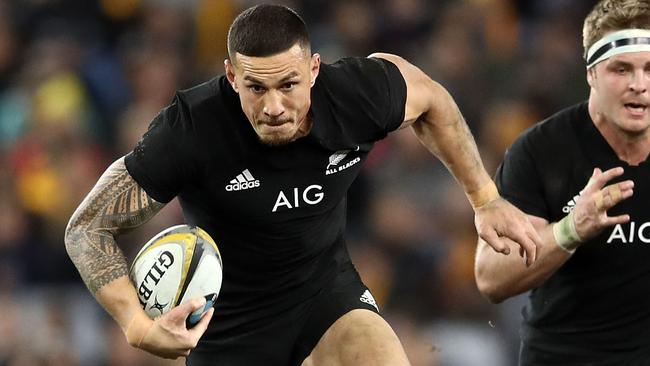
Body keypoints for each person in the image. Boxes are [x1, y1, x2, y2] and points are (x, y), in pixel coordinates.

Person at [64, 4, 541, 365]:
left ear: (314, 69)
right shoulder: (190, 130)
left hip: (324, 292)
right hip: (226, 324)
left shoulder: (358, 94)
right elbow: (86, 228)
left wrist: (486, 198)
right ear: (231, 76)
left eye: (288, 84)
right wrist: (136, 324)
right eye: (256, 88)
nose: (273, 106)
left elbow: (432, 100)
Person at [474, 0, 650, 364]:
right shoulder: (542, 151)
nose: (639, 85)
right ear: (591, 73)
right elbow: (490, 276)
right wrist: (570, 230)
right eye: (621, 69)